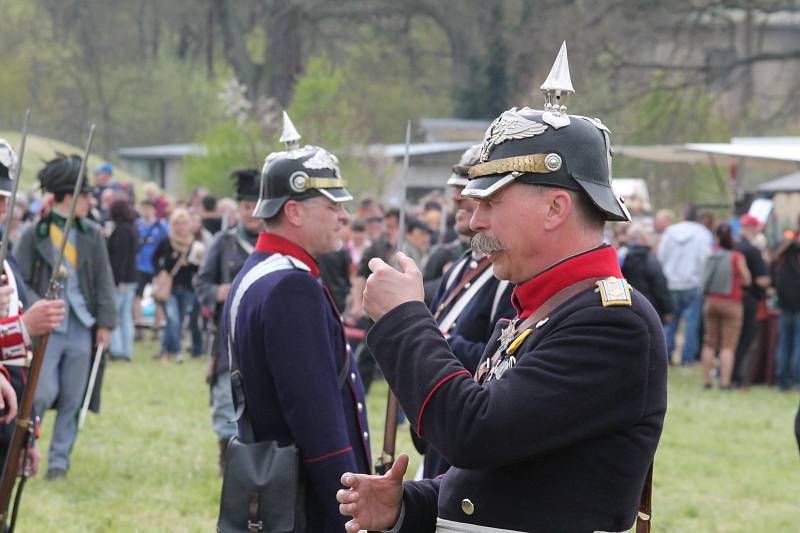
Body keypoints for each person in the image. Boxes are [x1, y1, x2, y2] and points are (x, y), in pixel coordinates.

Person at [339, 45, 667, 532]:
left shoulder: (613, 321)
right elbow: (496, 481)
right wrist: (408, 504)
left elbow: (474, 433)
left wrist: (406, 319)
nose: (474, 222)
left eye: (491, 201)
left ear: (556, 208)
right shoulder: (535, 311)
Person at [221, 114, 370, 532]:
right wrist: (351, 508)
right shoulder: (292, 287)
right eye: (331, 204)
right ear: (294, 211)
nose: (344, 216)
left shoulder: (258, 271)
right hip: (306, 501)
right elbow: (315, 416)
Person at [414, 144, 515, 479]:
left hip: (466, 440)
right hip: (439, 434)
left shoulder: (507, 275)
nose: (456, 198)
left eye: (468, 189)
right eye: (455, 188)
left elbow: (499, 363)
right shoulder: (458, 267)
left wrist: (435, 342)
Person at [16, 154, 117, 480]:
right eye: (84, 195)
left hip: (81, 325)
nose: (90, 201)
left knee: (74, 397)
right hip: (48, 327)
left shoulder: (91, 234)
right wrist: (37, 309)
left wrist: (105, 323)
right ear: (67, 196)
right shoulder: (36, 233)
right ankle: (26, 451)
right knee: (41, 394)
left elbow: (103, 280)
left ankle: (59, 463)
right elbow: (19, 281)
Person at [0, 139, 67, 477]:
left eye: (4, 201)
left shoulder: (5, 259)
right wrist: (24, 326)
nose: (1, 210)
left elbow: (17, 364)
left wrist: (28, 434)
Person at [193, 169, 262, 474]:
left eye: (256, 206)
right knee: (225, 398)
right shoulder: (224, 242)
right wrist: (217, 292)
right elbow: (202, 282)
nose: (251, 213)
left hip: (261, 333)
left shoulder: (273, 245)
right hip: (227, 336)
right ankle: (227, 460)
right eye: (246, 207)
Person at [658, 204, 713, 364]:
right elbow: (705, 260)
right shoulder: (703, 234)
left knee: (670, 321)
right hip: (692, 283)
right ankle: (687, 357)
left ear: (682, 216)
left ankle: (666, 353)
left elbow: (662, 256)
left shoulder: (670, 232)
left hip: (671, 283)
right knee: (691, 323)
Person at [700, 223, 751, 389]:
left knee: (709, 343)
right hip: (732, 303)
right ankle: (724, 382)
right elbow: (747, 279)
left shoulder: (712, 254)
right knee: (727, 345)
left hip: (711, 302)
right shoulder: (736, 256)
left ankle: (707, 381)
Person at [151, 208, 205, 361]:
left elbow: (199, 269)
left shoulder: (195, 244)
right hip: (169, 289)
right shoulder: (166, 241)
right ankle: (177, 351)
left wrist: (192, 263)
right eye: (177, 224)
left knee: (177, 322)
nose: (181, 227)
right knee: (173, 319)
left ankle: (164, 351)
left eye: (184, 223)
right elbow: (154, 259)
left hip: (187, 288)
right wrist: (160, 271)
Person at [732, 214, 770, 386]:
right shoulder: (753, 251)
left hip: (732, 297)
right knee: (746, 339)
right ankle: (738, 376)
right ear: (751, 228)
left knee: (731, 339)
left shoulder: (733, 246)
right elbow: (762, 279)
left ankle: (725, 372)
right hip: (750, 300)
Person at [106, 199, 139, 361]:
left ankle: (117, 349)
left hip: (121, 279)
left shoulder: (121, 231)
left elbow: (119, 257)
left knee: (117, 315)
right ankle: (127, 350)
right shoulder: (132, 229)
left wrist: (117, 278)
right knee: (126, 315)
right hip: (131, 277)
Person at [622, 223, 673, 324]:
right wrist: (667, 309)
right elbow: (660, 284)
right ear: (641, 238)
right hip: (650, 308)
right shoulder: (649, 258)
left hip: (627, 307)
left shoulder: (621, 256)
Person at [133, 199, 168, 339]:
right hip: (140, 266)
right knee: (137, 297)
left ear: (154, 210)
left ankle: (157, 327)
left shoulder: (161, 226)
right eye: (144, 208)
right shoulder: (137, 225)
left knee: (157, 298)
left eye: (148, 208)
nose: (146, 211)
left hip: (155, 267)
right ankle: (138, 326)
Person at [773, 217, 800, 391]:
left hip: (786, 299)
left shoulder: (787, 241)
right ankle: (791, 380)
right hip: (789, 300)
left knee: (787, 342)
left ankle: (785, 379)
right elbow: (772, 255)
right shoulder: (788, 241)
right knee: (791, 342)